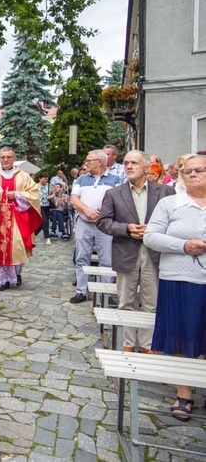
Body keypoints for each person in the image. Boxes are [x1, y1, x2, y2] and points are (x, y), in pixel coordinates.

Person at [143, 154, 206, 422]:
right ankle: (184, 393)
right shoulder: (170, 203)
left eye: (199, 170)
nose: (192, 174)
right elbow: (151, 236)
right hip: (178, 277)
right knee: (182, 336)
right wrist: (183, 246)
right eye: (187, 171)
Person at [97, 150, 175, 355]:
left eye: (134, 163)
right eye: (126, 163)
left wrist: (153, 230)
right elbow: (103, 222)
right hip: (126, 251)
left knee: (153, 301)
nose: (129, 166)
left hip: (154, 252)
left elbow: (175, 221)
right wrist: (127, 229)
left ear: (147, 167)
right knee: (126, 301)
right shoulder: (114, 193)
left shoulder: (165, 192)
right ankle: (128, 343)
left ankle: (150, 345)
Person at [69, 149, 122, 304]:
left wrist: (100, 212)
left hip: (105, 225)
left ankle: (106, 292)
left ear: (99, 162)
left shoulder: (115, 180)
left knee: (106, 259)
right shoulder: (81, 180)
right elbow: (74, 199)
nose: (86, 163)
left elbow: (117, 201)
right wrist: (87, 210)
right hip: (84, 223)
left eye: (89, 160)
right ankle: (81, 290)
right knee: (81, 257)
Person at [0, 147, 41, 291]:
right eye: (3, 157)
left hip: (17, 217)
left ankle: (16, 274)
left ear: (14, 158)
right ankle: (2, 280)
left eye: (9, 157)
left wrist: (18, 195)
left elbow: (34, 194)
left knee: (17, 246)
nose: (5, 160)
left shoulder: (23, 176)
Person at [37, 173, 53, 246]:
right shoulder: (35, 186)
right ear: (40, 179)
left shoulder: (49, 185)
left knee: (44, 221)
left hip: (47, 205)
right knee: (44, 220)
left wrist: (51, 196)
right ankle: (47, 237)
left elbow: (53, 193)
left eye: (46, 179)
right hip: (39, 206)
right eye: (44, 179)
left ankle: (34, 233)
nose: (45, 181)